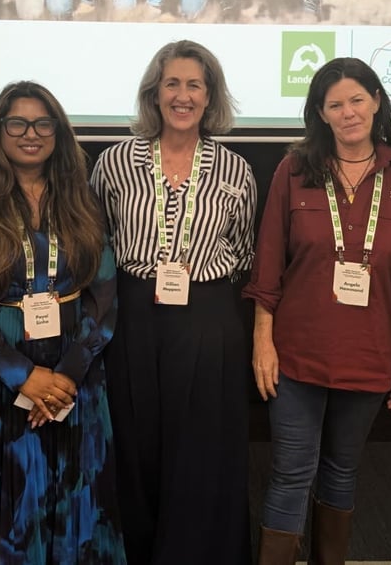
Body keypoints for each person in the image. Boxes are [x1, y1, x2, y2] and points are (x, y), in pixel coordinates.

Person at [0, 81, 125, 564]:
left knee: (73, 500)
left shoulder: (82, 198)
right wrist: (23, 375)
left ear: (58, 132)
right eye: (17, 123)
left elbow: (103, 295)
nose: (30, 134)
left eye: (43, 123)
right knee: (6, 507)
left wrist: (66, 376)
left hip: (74, 382)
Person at [244, 57, 391, 565]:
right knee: (291, 472)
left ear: (377, 102)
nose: (348, 113)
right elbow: (269, 262)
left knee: (342, 471)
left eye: (357, 100)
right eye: (335, 104)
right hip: (296, 355)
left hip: (370, 354)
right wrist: (263, 342)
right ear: (320, 113)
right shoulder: (294, 171)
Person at [90, 40, 256, 565]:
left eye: (194, 85)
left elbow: (244, 250)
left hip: (208, 319)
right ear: (154, 93)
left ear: (210, 97)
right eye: (172, 84)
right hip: (133, 315)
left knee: (203, 451)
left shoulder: (236, 170)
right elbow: (95, 238)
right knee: (135, 446)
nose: (182, 96)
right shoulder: (116, 162)